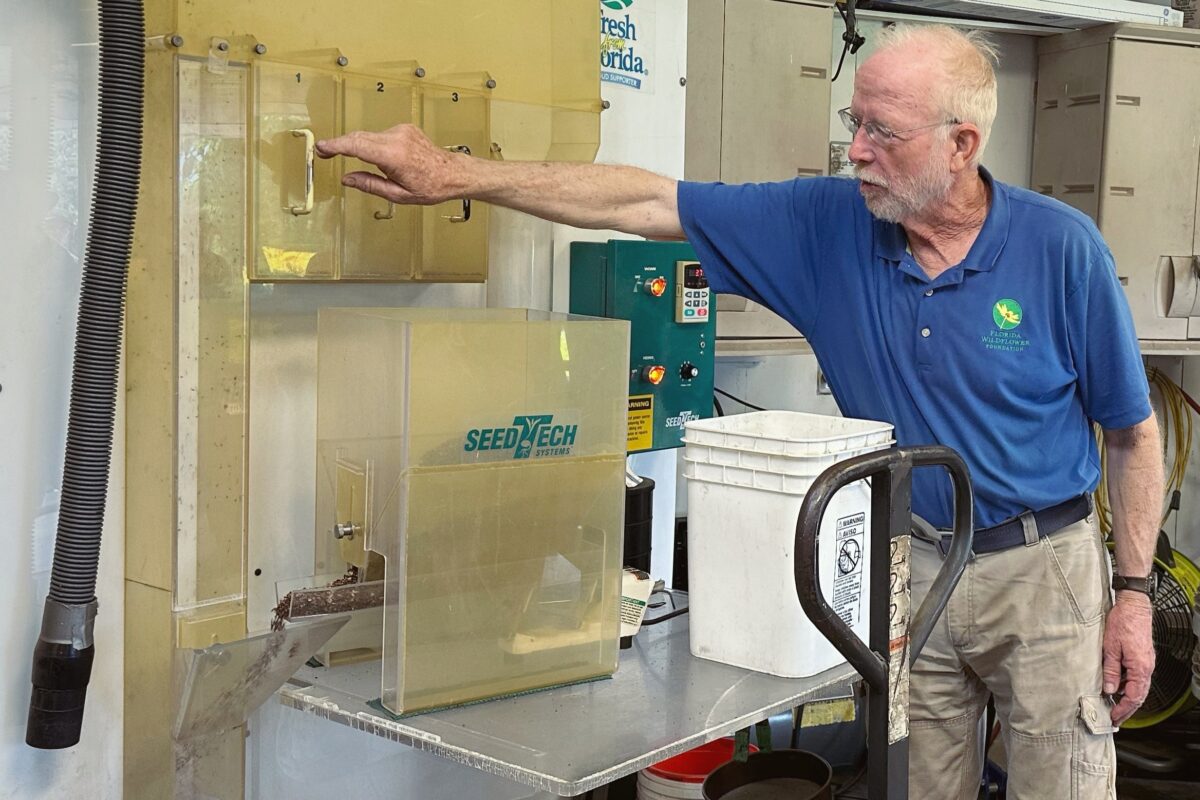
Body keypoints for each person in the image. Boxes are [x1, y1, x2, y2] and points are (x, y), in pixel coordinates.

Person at [316, 23, 1161, 799]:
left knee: (1065, 782)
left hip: (1042, 568)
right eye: (852, 120)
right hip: (910, 570)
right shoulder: (824, 227)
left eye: (881, 133)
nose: (854, 152)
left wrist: (1131, 593)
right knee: (914, 782)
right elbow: (644, 201)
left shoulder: (1061, 251)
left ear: (961, 144)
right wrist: (457, 173)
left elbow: (1131, 433)